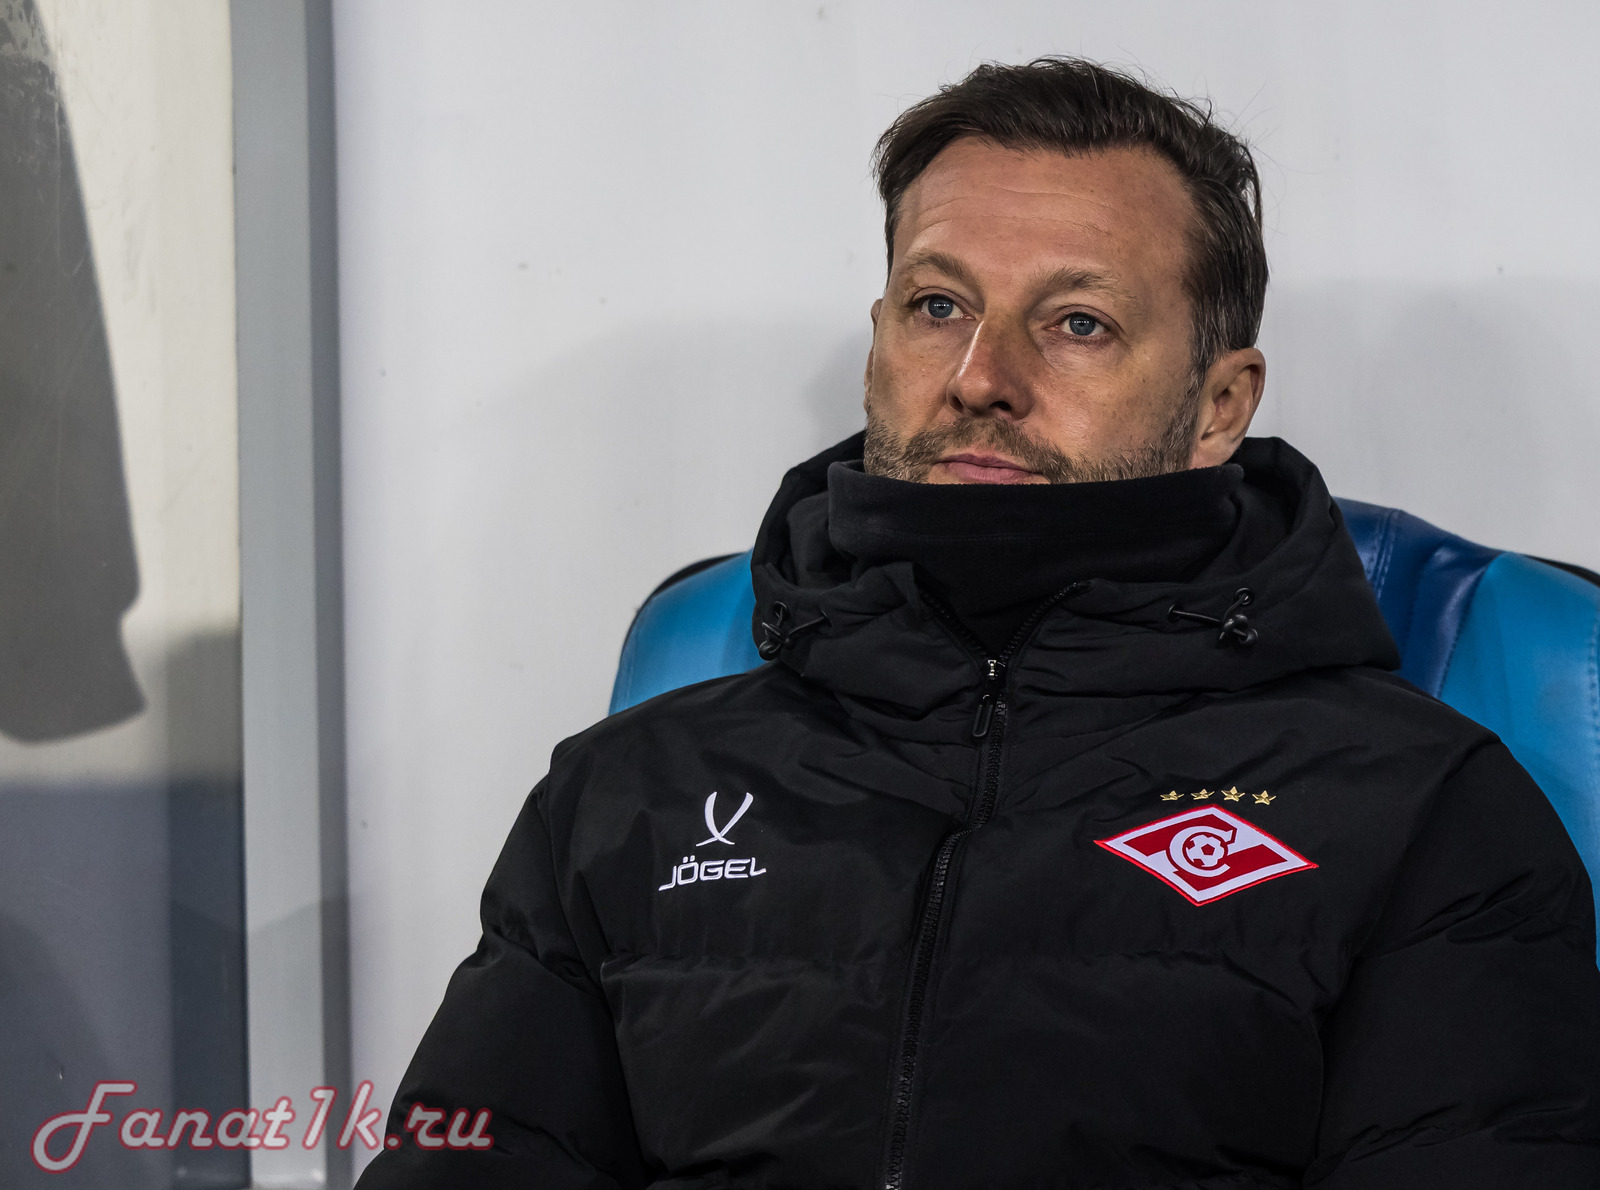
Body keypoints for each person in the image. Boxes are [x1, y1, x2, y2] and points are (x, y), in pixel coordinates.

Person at [356, 58, 1600, 1188]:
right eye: (938, 306)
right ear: (877, 344)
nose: (980, 377)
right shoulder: (624, 791)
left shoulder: (1420, 805)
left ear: (1220, 403)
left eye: (1076, 323)